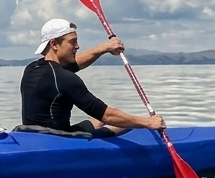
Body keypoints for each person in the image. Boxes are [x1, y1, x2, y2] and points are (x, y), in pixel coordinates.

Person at [20, 18, 167, 137]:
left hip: (30, 136)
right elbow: (107, 115)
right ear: (54, 44)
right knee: (117, 123)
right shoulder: (65, 78)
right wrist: (148, 122)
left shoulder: (32, 69)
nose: (77, 46)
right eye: (72, 42)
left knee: (98, 121)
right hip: (60, 141)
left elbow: (75, 64)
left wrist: (105, 47)